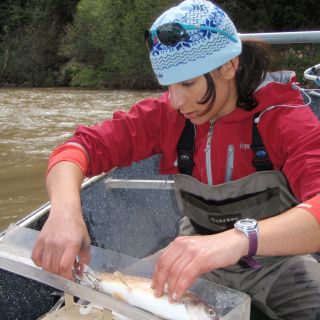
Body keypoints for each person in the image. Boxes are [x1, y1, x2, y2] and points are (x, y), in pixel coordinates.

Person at [32, 0, 320, 319]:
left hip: (277, 262)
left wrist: (239, 239)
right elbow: (79, 148)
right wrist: (65, 212)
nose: (177, 101)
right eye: (169, 85)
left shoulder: (285, 118)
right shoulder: (167, 116)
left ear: (229, 66)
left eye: (187, 83)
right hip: (188, 257)